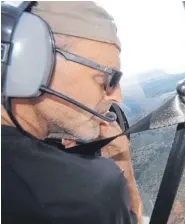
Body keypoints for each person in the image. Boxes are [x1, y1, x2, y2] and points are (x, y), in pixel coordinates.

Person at [1, 1, 142, 223]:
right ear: (33, 62)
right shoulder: (90, 193)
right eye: (109, 79)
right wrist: (121, 160)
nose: (117, 96)